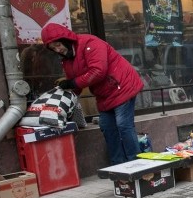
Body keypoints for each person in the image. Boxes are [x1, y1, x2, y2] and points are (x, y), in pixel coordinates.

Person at [41, 22, 144, 165]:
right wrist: (65, 101)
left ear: (65, 39)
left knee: (123, 125)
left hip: (122, 85)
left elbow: (98, 71)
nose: (58, 50)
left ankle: (137, 163)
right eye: (53, 48)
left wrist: (72, 83)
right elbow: (75, 83)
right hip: (104, 93)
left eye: (58, 45)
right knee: (107, 127)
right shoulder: (67, 60)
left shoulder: (90, 43)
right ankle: (118, 164)